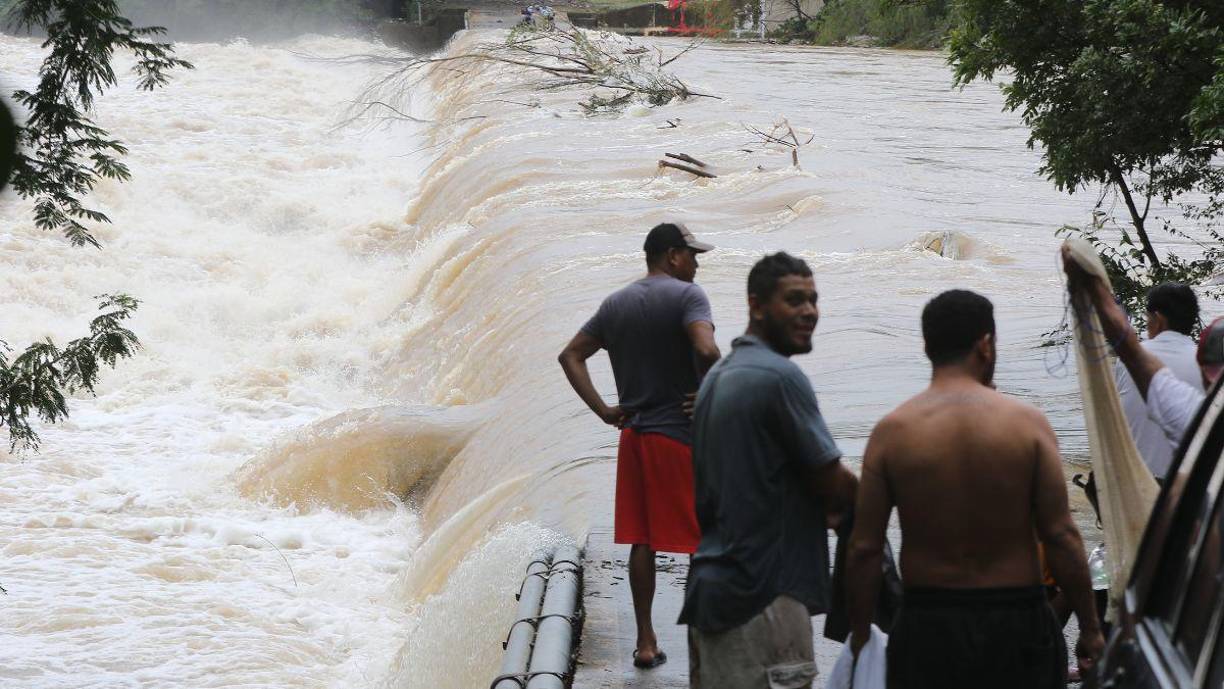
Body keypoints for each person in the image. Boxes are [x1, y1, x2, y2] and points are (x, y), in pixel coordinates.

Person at [846, 289, 1104, 688]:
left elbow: (864, 548)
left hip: (928, 625)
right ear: (986, 345)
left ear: (927, 346)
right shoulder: (1027, 425)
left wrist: (862, 638)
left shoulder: (892, 432)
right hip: (1016, 620)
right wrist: (1089, 626)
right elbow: (1061, 535)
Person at [680, 252, 858, 689]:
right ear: (756, 306)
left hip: (713, 594)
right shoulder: (780, 378)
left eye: (814, 300)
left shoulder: (720, 377)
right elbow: (834, 487)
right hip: (764, 602)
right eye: (794, 300)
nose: (809, 312)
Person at [558, 222, 720, 669]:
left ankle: (646, 641)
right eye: (692, 254)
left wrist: (605, 411)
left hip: (634, 439)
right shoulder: (689, 297)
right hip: (680, 439)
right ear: (671, 255)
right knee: (702, 541)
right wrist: (715, 388)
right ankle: (704, 645)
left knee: (642, 540)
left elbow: (570, 355)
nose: (697, 263)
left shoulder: (616, 303)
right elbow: (706, 351)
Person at [1062, 246, 1224, 449]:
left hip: (1141, 476)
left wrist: (1091, 284)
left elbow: (1129, 350)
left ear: (1158, 319)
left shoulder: (1180, 400)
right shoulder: (1203, 397)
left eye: (1147, 318)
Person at [1114, 283, 1201, 479]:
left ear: (1158, 320)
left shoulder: (1130, 360)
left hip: (1138, 480)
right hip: (1191, 487)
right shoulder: (1208, 364)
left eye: (1147, 318)